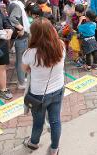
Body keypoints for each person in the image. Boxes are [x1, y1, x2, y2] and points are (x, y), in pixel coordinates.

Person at [22, 18, 65, 155]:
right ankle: (54, 149)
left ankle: (33, 143)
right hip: (58, 89)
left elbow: (25, 69)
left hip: (38, 94)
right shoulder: (61, 45)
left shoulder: (30, 53)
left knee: (38, 122)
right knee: (55, 120)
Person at [5, 0, 30, 89]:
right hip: (21, 36)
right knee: (21, 60)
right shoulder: (16, 5)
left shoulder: (15, 3)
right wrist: (21, 28)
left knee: (20, 59)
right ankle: (21, 82)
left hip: (20, 36)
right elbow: (13, 19)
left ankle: (22, 79)